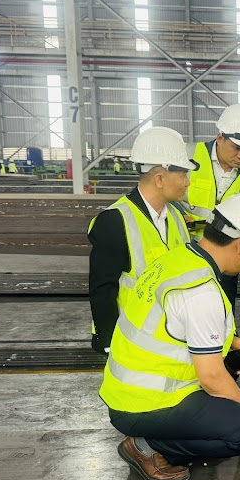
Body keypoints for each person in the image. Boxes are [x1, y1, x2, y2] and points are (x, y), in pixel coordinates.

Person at [99, 193, 240, 480]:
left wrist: (229, 343)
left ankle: (155, 437)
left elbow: (174, 324)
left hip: (124, 392)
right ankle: (147, 446)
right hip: (143, 404)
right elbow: (210, 377)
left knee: (228, 384)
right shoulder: (201, 291)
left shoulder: (179, 259)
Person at [88, 126, 193, 355]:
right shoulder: (115, 221)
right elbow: (102, 288)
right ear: (159, 179)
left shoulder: (176, 217)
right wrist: (110, 343)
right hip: (129, 339)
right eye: (183, 174)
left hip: (166, 338)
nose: (187, 182)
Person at [179, 102, 240, 305]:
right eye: (237, 147)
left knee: (221, 312)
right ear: (220, 137)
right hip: (184, 253)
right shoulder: (187, 156)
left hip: (225, 263)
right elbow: (164, 197)